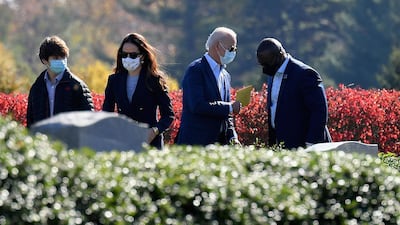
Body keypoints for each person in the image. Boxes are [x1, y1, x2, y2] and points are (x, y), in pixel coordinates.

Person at [256, 37, 332, 149]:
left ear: (280, 55)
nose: (265, 69)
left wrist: (312, 143)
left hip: (307, 145)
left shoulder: (304, 74)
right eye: (263, 64)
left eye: (268, 63)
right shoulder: (273, 74)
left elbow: (319, 111)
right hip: (283, 145)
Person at [102, 33, 174, 149]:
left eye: (133, 55)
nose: (128, 58)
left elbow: (168, 115)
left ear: (143, 56)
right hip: (123, 142)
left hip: (150, 144)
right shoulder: (114, 80)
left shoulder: (155, 80)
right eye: (124, 55)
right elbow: (107, 112)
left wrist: (154, 131)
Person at [176, 27, 242, 146]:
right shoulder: (196, 70)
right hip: (196, 144)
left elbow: (227, 115)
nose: (233, 52)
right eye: (231, 48)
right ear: (217, 46)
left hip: (219, 145)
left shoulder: (225, 75)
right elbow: (197, 105)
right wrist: (230, 107)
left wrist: (232, 136)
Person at [27, 35, 94, 128]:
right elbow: (31, 122)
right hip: (42, 140)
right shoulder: (37, 88)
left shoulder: (77, 86)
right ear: (44, 60)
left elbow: (88, 120)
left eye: (63, 57)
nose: (61, 61)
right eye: (55, 58)